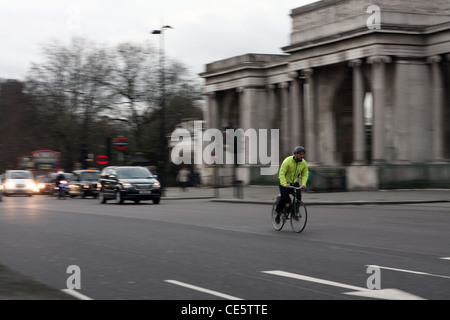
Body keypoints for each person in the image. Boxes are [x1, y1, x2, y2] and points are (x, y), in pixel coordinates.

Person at [275, 146, 309, 223]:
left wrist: (303, 184)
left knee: (298, 197)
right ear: (295, 154)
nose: (302, 156)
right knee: (285, 199)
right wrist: (284, 183)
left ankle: (294, 212)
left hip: (294, 183)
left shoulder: (303, 163)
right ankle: (278, 213)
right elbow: (282, 173)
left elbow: (305, 173)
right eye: (300, 154)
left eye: (303, 154)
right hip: (284, 183)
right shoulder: (287, 161)